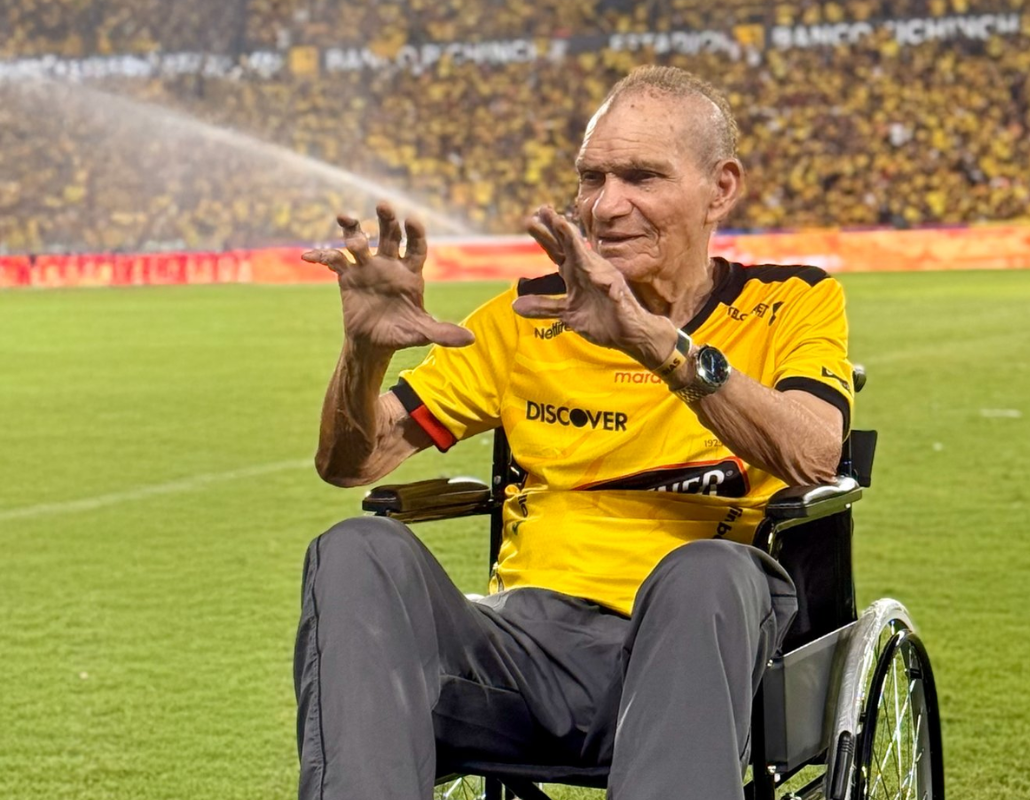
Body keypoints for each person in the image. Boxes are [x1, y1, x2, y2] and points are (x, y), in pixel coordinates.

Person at [294, 65, 854, 800]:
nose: (606, 207)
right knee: (354, 550)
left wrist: (654, 343)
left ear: (720, 188)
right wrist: (364, 355)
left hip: (698, 646)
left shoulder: (791, 301)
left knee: (707, 570)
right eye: (592, 179)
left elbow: (815, 452)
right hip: (525, 653)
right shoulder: (525, 320)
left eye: (642, 177)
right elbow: (352, 462)